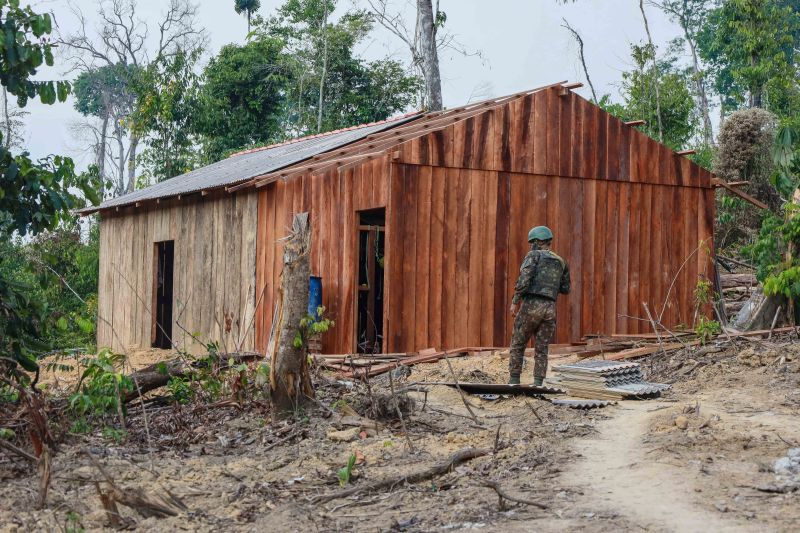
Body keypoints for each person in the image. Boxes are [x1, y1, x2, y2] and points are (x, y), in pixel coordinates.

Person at [508, 226, 570, 386]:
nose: (531, 245)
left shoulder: (533, 256)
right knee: (542, 348)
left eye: (532, 242)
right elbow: (565, 289)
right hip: (550, 307)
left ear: (538, 241)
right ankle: (538, 383)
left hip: (531, 305)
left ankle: (514, 380)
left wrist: (515, 301)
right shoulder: (561, 261)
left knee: (518, 342)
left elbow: (524, 279)